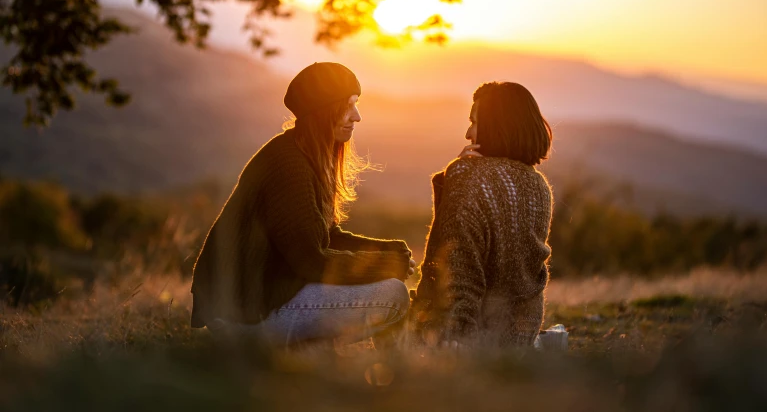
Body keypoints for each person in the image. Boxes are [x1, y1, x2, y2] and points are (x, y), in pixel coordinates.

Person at [190, 62, 416, 347]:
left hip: (255, 301)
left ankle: (312, 351)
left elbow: (324, 236)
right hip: (245, 314)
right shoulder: (289, 167)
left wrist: (386, 251)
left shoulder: (300, 151)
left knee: (385, 282)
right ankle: (372, 369)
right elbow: (311, 260)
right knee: (393, 294)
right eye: (348, 106)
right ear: (323, 111)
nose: (357, 117)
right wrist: (386, 265)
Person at [410, 81, 554, 348]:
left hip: (468, 336)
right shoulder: (540, 186)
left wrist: (457, 337)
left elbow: (457, 267)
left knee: (390, 299)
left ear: (495, 126)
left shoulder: (468, 176)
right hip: (520, 335)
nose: (468, 133)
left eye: (474, 122)